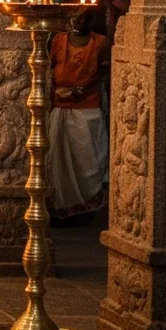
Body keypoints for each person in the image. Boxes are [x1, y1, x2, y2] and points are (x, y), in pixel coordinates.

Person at [46, 12, 110, 219]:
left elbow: (106, 72)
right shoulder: (58, 40)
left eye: (85, 17)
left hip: (86, 108)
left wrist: (83, 88)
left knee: (86, 161)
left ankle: (84, 207)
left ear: (93, 20)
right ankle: (58, 208)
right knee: (57, 160)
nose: (79, 21)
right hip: (59, 106)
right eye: (76, 16)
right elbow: (49, 68)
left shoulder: (100, 43)